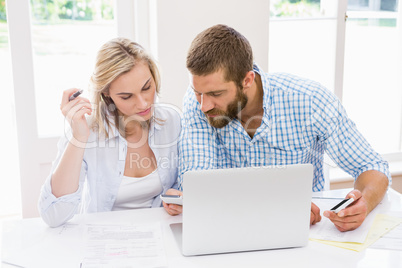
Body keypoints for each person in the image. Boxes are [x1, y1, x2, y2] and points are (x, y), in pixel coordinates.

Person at [164, 24, 391, 232]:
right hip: (231, 229)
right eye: (197, 92)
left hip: (302, 233)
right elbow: (197, 180)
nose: (204, 105)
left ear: (247, 80)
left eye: (216, 94)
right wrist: (279, 209)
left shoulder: (310, 100)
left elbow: (370, 166)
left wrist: (362, 204)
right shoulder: (198, 102)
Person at [38, 38, 181, 227]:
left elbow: (186, 187)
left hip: (159, 237)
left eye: (147, 87)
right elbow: (53, 216)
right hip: (104, 242)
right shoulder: (86, 131)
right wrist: (79, 138)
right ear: (107, 94)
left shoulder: (173, 121)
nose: (143, 103)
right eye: (126, 96)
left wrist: (179, 198)